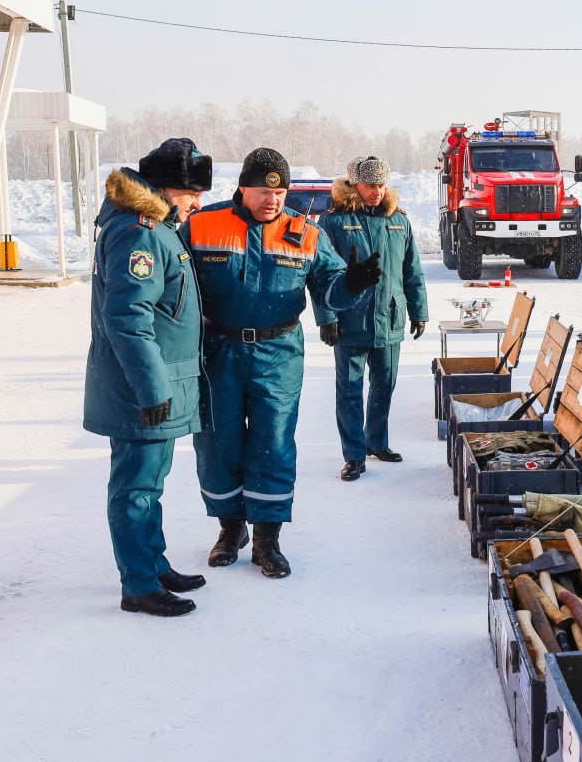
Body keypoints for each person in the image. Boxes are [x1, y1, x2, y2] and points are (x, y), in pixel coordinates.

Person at [182, 147, 381, 577]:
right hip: (218, 350)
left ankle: (267, 539)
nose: (271, 200)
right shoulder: (201, 226)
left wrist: (354, 283)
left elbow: (330, 290)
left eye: (280, 191)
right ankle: (230, 529)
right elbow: (174, 285)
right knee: (218, 441)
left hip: (278, 354)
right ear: (243, 188)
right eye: (261, 191)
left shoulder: (306, 233)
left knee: (273, 442)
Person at [84, 139, 213, 617]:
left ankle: (152, 563)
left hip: (154, 383)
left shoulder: (157, 225)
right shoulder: (139, 232)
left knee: (150, 483)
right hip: (140, 388)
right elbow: (128, 317)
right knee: (135, 488)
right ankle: (138, 584)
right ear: (166, 189)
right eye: (191, 193)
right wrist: (152, 388)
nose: (197, 203)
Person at [314, 156, 429, 481]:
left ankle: (377, 442)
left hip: (389, 320)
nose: (377, 191)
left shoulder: (398, 221)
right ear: (355, 185)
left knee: (384, 386)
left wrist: (419, 310)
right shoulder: (334, 222)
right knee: (349, 391)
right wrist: (327, 317)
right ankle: (354, 455)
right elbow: (321, 276)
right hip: (351, 321)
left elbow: (412, 271)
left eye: (381, 185)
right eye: (370, 185)